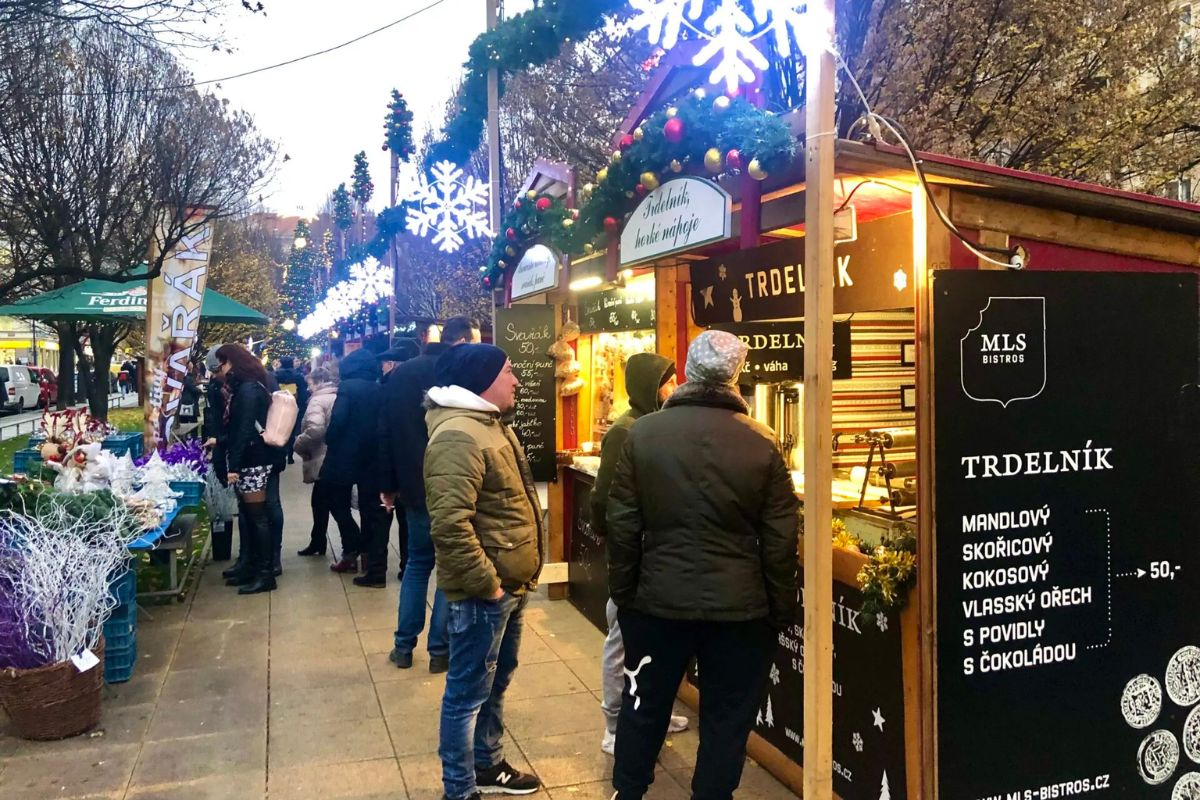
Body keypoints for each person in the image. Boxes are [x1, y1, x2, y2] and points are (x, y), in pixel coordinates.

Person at [606, 331, 800, 800]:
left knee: (643, 704)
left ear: (689, 372)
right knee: (727, 718)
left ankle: (628, 792)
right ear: (735, 375)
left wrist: (626, 596)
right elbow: (780, 539)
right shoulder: (763, 442)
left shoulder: (644, 434)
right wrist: (779, 608)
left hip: (656, 604)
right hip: (739, 611)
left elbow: (623, 524)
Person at [425, 344, 543, 799]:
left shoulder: (490, 424)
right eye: (509, 371)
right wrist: (488, 585)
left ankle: (489, 765)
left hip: (510, 583)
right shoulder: (460, 434)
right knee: (466, 694)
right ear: (484, 379)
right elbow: (450, 525)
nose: (516, 380)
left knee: (496, 680)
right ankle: (459, 788)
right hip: (486, 591)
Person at [588, 353, 688, 755]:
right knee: (621, 640)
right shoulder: (625, 431)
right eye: (668, 380)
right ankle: (614, 725)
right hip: (631, 556)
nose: (675, 386)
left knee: (654, 642)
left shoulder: (656, 426)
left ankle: (654, 712)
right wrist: (619, 543)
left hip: (655, 555)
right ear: (650, 385)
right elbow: (603, 499)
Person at [380, 318, 480, 673]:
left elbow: (387, 433)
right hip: (454, 485)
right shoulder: (462, 373)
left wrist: (389, 484)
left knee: (417, 564)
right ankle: (440, 651)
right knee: (447, 568)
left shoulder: (401, 375)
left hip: (414, 486)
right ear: (464, 340)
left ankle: (403, 647)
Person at [214, 343, 280, 595]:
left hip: (254, 458)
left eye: (224, 363)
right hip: (253, 456)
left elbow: (243, 429)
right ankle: (254, 567)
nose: (222, 368)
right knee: (251, 515)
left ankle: (264, 572)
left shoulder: (249, 389)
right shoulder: (249, 386)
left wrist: (235, 465)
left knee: (257, 516)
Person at [322, 347, 390, 587]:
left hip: (346, 456)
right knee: (372, 510)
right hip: (373, 456)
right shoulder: (381, 388)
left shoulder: (348, 388)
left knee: (334, 500)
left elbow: (339, 420)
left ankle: (353, 546)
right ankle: (372, 562)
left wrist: (329, 438)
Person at [377, 337, 420, 579]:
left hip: (397, 466)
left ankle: (398, 566)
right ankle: (407, 563)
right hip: (416, 467)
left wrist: (386, 482)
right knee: (409, 522)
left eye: (386, 362)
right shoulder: (424, 387)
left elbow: (385, 435)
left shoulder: (389, 389)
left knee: (393, 517)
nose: (383, 367)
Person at [293, 366, 338, 557]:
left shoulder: (317, 400)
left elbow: (316, 429)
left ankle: (321, 541)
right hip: (334, 455)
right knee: (325, 501)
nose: (308, 388)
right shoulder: (336, 395)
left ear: (318, 382)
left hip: (321, 456)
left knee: (324, 503)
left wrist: (298, 443)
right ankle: (318, 540)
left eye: (310, 384)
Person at [273, 356, 310, 465]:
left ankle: (280, 453)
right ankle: (290, 455)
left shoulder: (275, 375)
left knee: (279, 429)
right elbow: (303, 393)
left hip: (279, 405)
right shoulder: (298, 376)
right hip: (294, 405)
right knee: (292, 430)